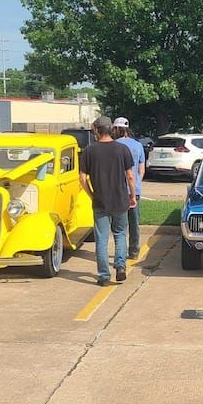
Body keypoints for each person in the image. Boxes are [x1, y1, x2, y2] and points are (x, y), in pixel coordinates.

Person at [79, 116, 137, 286]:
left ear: (97, 130)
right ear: (111, 130)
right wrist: (132, 196)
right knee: (120, 235)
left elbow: (82, 178)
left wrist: (91, 194)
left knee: (102, 239)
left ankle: (104, 276)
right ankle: (120, 267)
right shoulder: (122, 149)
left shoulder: (89, 151)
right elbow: (131, 177)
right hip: (120, 200)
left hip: (100, 201)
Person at [111, 116, 146, 259]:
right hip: (134, 190)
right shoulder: (138, 145)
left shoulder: (113, 145)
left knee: (119, 227)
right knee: (134, 223)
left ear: (117, 129)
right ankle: (134, 251)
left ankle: (121, 252)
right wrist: (136, 183)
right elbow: (141, 169)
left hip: (117, 191)